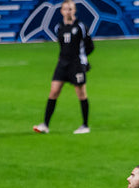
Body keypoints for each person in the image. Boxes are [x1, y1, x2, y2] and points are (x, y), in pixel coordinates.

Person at [32, 0, 93, 135]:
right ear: (61, 11)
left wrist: (83, 62)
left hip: (76, 64)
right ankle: (45, 125)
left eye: (71, 9)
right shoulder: (58, 27)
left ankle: (85, 125)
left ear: (75, 10)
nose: (68, 11)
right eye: (66, 9)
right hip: (62, 64)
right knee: (53, 92)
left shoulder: (81, 27)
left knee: (81, 94)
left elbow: (89, 46)